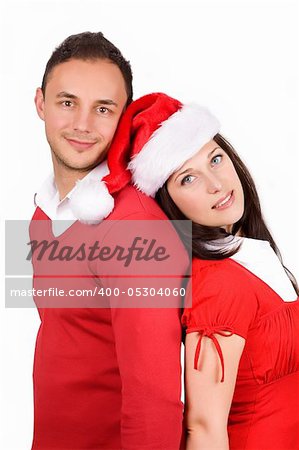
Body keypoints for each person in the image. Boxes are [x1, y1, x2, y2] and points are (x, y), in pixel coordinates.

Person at [31, 34, 189, 449]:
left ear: (122, 119)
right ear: (40, 104)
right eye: (68, 102)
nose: (83, 124)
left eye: (103, 109)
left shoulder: (134, 228)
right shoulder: (44, 210)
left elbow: (155, 401)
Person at [122, 92, 299, 449]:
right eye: (188, 178)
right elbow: (203, 428)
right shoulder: (219, 284)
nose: (216, 184)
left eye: (215, 159)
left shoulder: (251, 254)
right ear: (169, 204)